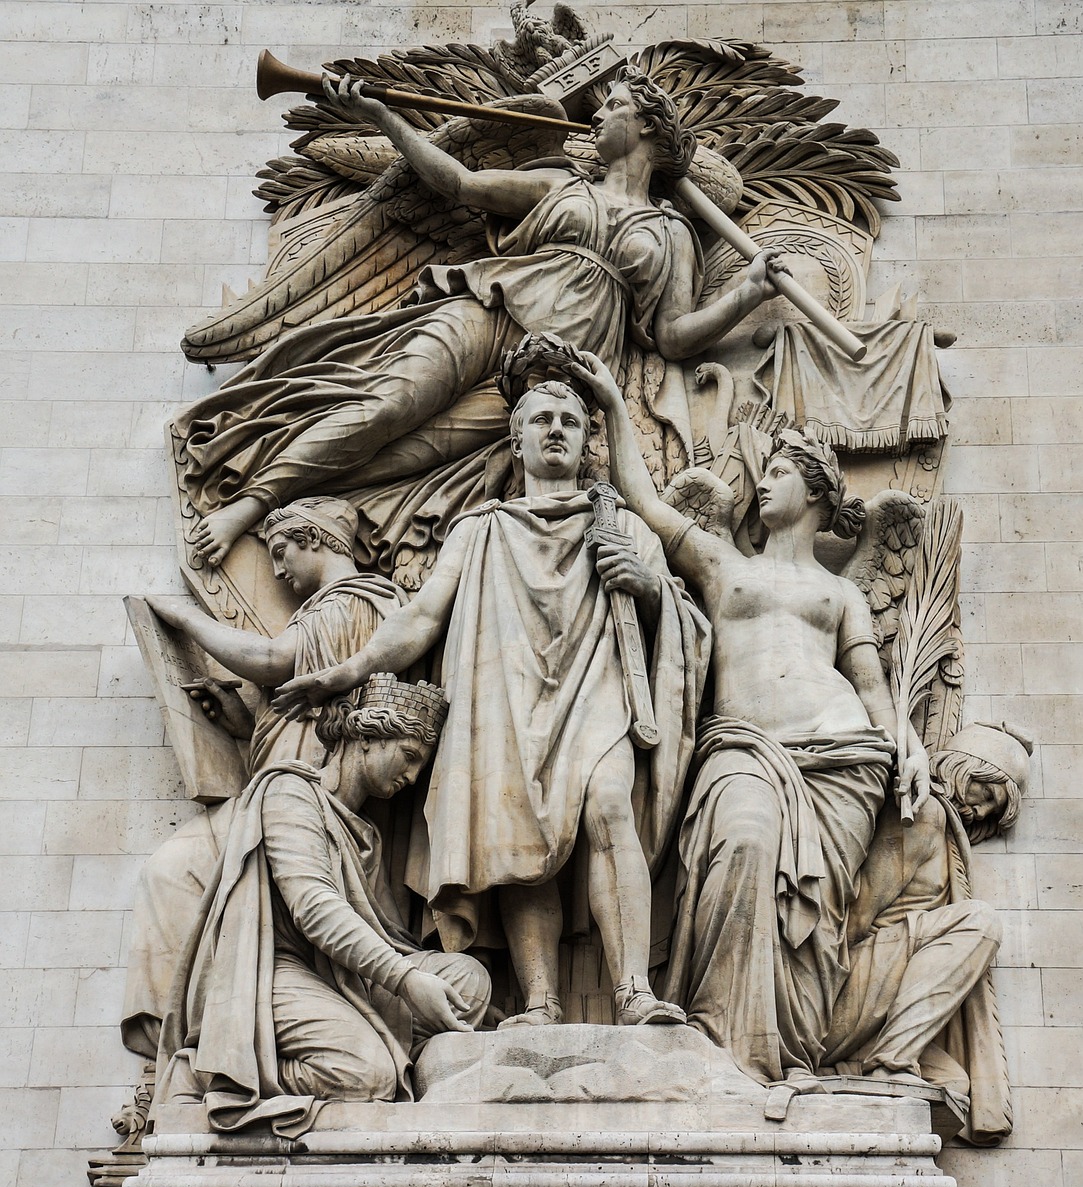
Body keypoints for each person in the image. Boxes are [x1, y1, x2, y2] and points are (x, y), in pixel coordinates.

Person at [179, 70, 786, 568]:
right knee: (389, 406)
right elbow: (459, 181)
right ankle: (248, 505)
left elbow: (674, 336)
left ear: (647, 127)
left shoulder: (673, 232)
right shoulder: (559, 184)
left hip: (550, 376)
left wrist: (747, 293)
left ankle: (301, 507)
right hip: (490, 311)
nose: (598, 117)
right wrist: (384, 119)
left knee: (413, 453)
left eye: (615, 107)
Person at [272, 362, 710, 1028]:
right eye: (541, 419)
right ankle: (540, 1001)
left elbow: (685, 623)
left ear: (588, 443)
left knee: (611, 806)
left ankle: (632, 992)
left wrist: (647, 589)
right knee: (517, 839)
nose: (556, 430)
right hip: (506, 698)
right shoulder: (480, 530)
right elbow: (420, 620)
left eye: (568, 420)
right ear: (517, 442)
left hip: (598, 691)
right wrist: (346, 672)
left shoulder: (622, 525)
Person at [575, 350, 930, 1084]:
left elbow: (870, 683)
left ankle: (783, 1051)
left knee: (809, 918)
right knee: (739, 842)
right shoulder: (719, 561)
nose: (760, 482)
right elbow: (643, 498)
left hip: (841, 760)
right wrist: (612, 402)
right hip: (741, 747)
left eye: (776, 472)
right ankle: (719, 1038)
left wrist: (908, 746)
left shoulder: (841, 595)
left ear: (815, 492)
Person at [121, 497, 404, 1061]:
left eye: (281, 552)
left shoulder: (349, 603)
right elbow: (300, 712)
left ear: (316, 540)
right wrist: (243, 724)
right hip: (287, 780)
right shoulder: (340, 608)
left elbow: (275, 661)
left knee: (175, 871)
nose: (277, 571)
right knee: (177, 873)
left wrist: (182, 618)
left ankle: (196, 1040)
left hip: (301, 792)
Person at [156, 674, 491, 1136]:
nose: (411, 777)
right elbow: (313, 908)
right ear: (368, 736)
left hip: (340, 975)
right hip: (274, 970)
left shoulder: (365, 833)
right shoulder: (289, 793)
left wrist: (427, 974)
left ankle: (376, 1042)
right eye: (409, 756)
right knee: (365, 1073)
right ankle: (217, 1071)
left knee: (469, 980)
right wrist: (408, 979)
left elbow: (386, 937)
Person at [821, 721, 1031, 1144]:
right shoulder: (924, 813)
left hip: (876, 994)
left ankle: (839, 1068)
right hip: (844, 982)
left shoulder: (945, 826)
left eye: (995, 808)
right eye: (987, 794)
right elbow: (857, 916)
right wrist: (817, 996)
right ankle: (889, 1062)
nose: (985, 811)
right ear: (961, 769)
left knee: (952, 1085)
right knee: (979, 922)